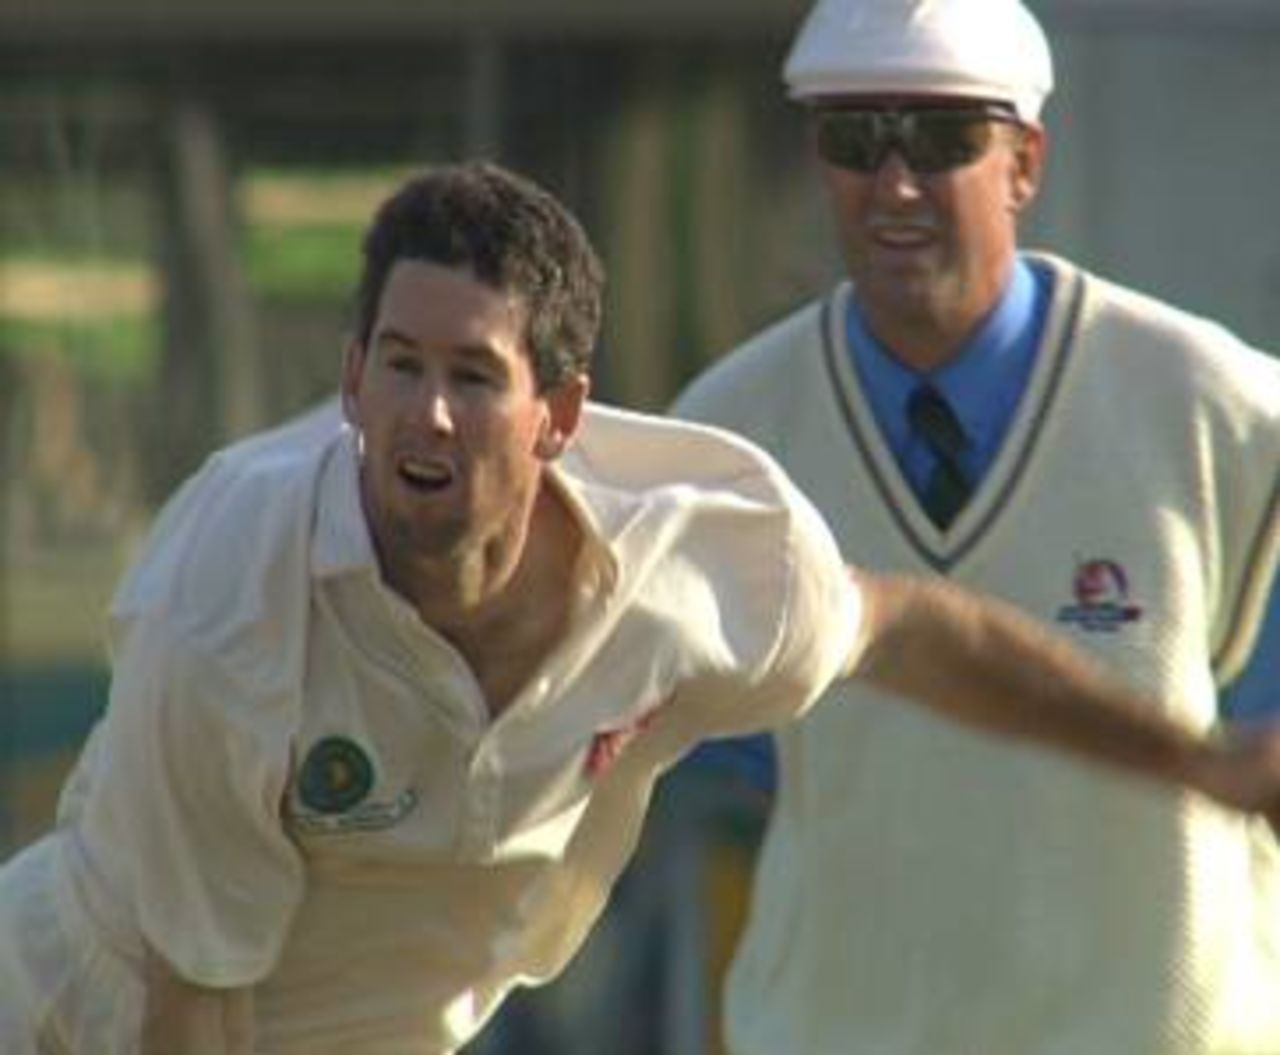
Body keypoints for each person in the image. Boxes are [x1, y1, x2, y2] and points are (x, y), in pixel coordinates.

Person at [0, 161, 1275, 1055]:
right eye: (397, 365)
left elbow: (909, 631)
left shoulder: (697, 573)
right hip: (75, 1015)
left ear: (559, 415)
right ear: (348, 379)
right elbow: (193, 1004)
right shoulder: (227, 592)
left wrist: (1200, 763)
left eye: (471, 376)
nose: (425, 415)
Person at [671, 1, 1280, 1053]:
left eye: (945, 139)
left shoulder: (1225, 415)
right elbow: (728, 772)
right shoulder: (722, 441)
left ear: (1023, 162)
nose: (894, 183)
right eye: (853, 139)